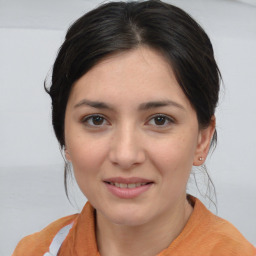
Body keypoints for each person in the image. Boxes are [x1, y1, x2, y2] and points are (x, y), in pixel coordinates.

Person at [12, 0, 256, 255]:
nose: (125, 155)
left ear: (202, 139)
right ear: (64, 135)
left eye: (159, 120)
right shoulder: (35, 250)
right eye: (96, 119)